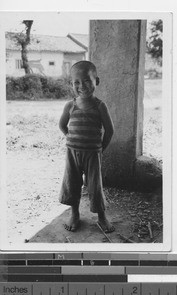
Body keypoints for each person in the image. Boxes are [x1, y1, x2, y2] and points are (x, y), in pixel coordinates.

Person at [58, 60, 115, 233]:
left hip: (92, 154)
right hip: (72, 154)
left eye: (87, 81)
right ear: (71, 84)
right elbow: (62, 125)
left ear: (96, 81)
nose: (81, 86)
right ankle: (74, 214)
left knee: (94, 186)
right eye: (76, 82)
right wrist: (71, 138)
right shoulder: (70, 105)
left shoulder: (100, 106)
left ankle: (101, 217)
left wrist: (100, 149)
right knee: (72, 183)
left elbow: (110, 131)